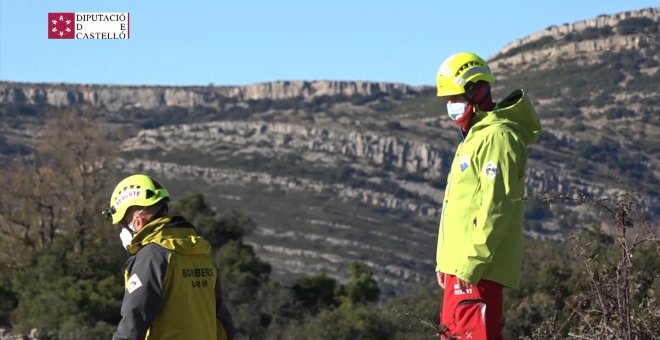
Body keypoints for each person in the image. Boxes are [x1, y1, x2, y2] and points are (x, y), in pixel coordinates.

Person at [434, 52, 541, 339]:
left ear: (477, 91)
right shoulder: (475, 137)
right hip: (461, 270)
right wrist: (445, 263)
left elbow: (498, 206)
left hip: (477, 271)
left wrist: (471, 264)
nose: (450, 106)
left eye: (454, 98)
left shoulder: (498, 137)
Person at [102, 174, 235, 340]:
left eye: (123, 223)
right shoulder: (201, 254)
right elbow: (222, 322)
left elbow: (133, 323)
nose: (122, 230)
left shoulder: (151, 258)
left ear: (138, 222)